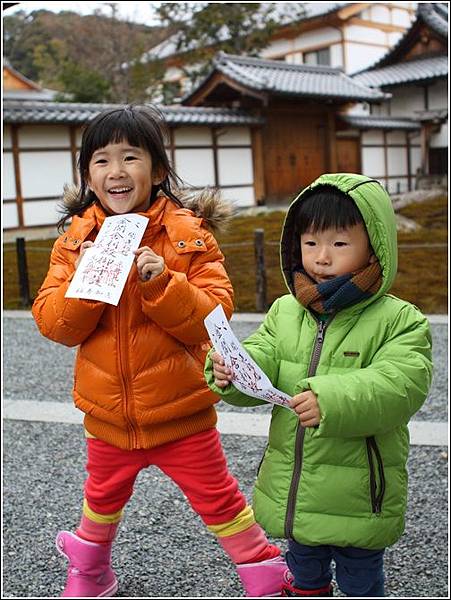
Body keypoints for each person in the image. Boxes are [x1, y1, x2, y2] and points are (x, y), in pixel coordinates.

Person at [31, 105, 288, 598]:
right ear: (87, 175)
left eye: (131, 157)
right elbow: (54, 324)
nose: (117, 171)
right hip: (108, 415)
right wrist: (85, 283)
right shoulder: (75, 240)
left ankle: (265, 574)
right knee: (101, 500)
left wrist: (162, 281)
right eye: (101, 161)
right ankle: (90, 573)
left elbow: (214, 316)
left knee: (219, 500)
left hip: (180, 411)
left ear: (159, 170)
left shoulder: (186, 235)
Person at [206, 173, 433, 598]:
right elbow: (266, 352)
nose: (322, 257)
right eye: (310, 244)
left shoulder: (399, 319)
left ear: (375, 246)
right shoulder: (286, 310)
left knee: (360, 581)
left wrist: (329, 400)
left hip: (360, 495)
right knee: (304, 574)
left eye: (339, 244)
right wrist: (234, 369)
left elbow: (402, 384)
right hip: (296, 490)